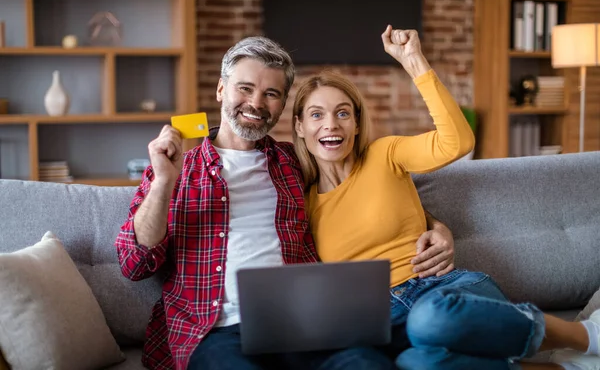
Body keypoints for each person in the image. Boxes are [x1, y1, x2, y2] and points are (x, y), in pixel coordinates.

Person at [115, 35, 454, 370]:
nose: (256, 103)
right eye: (245, 88)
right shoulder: (177, 169)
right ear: (222, 90)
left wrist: (435, 226)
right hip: (216, 332)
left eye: (271, 93)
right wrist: (163, 182)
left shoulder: (294, 163)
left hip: (304, 325)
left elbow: (365, 190)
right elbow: (134, 264)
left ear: (282, 106)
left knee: (366, 364)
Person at [291, 25, 600, 370]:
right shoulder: (302, 203)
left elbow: (457, 142)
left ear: (358, 124)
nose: (331, 124)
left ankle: (586, 337)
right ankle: (561, 367)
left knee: (430, 318)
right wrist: (435, 222)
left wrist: (414, 61)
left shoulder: (385, 154)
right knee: (418, 364)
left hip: (443, 294)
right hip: (385, 318)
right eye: (317, 115)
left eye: (343, 113)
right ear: (300, 127)